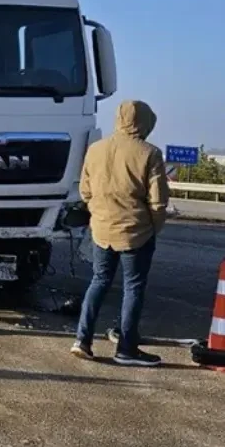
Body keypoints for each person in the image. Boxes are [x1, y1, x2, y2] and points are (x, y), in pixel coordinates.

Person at [73, 100, 170, 366]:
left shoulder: (96, 149)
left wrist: (98, 214)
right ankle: (127, 348)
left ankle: (82, 339)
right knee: (133, 288)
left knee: (99, 281)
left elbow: (85, 191)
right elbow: (158, 202)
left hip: (101, 229)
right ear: (146, 122)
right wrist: (154, 227)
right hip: (136, 232)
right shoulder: (150, 153)